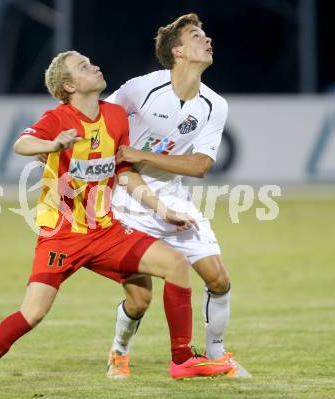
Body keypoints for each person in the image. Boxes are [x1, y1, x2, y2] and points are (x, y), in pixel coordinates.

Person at [0, 50, 232, 390]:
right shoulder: (58, 118)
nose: (95, 65)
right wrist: (52, 144)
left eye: (91, 61)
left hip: (106, 231)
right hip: (61, 236)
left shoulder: (114, 116)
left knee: (175, 265)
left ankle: (182, 359)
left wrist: (161, 209)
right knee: (33, 313)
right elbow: (22, 144)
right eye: (84, 67)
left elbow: (125, 174)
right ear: (69, 85)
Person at [104, 13, 250, 379]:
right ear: (178, 50)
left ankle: (215, 355)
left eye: (206, 35)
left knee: (218, 279)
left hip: (174, 197)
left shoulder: (215, 105)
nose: (208, 40)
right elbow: (99, 119)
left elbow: (200, 165)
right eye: (198, 36)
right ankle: (118, 353)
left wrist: (141, 155)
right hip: (128, 200)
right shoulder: (141, 89)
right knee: (140, 300)